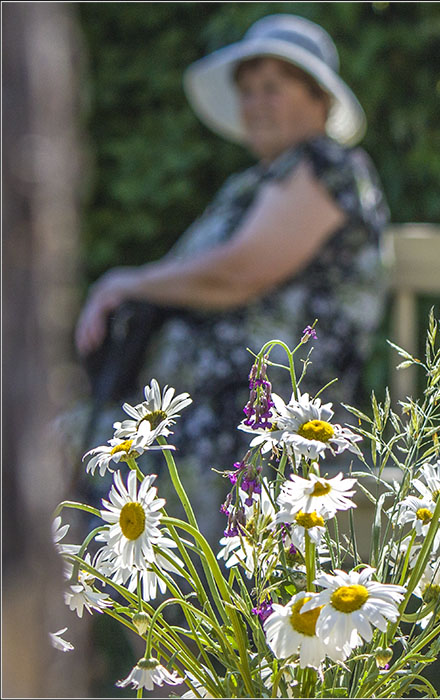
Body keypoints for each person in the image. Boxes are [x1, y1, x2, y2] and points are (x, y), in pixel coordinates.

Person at [73, 14, 390, 538]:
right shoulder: (257, 181)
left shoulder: (327, 166)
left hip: (265, 417)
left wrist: (124, 282)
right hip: (199, 404)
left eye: (272, 87)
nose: (255, 102)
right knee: (48, 444)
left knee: (49, 452)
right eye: (246, 90)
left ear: (321, 102)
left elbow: (238, 274)